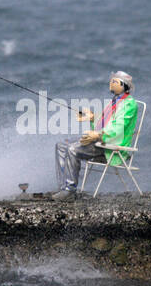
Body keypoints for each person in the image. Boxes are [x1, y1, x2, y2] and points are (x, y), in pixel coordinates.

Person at [53, 71, 138, 199]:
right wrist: (92, 118)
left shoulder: (129, 104)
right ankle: (63, 187)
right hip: (102, 141)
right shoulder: (115, 101)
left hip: (112, 146)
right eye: (111, 80)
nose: (111, 83)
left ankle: (70, 190)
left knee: (72, 149)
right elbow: (104, 123)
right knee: (61, 145)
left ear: (124, 86)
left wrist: (98, 135)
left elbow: (117, 128)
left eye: (115, 81)